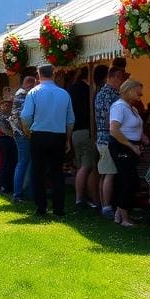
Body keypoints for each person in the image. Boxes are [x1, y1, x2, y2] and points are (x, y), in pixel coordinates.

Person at [21, 65, 75, 217]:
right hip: (58, 134)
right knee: (57, 172)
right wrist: (67, 138)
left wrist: (28, 130)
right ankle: (59, 208)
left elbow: (25, 116)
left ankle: (41, 207)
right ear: (53, 74)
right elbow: (70, 120)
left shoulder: (33, 92)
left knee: (38, 172)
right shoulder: (64, 93)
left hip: (38, 134)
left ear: (38, 75)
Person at [109, 79, 147, 227]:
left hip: (131, 146)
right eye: (138, 92)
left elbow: (135, 128)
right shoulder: (119, 107)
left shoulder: (132, 108)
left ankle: (120, 213)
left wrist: (142, 139)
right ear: (129, 90)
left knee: (126, 180)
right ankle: (123, 214)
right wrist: (131, 146)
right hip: (121, 146)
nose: (141, 95)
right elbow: (114, 129)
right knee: (131, 181)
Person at [94, 67, 124, 219]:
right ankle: (107, 207)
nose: (122, 82)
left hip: (102, 137)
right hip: (107, 138)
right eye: (121, 78)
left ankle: (103, 204)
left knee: (105, 173)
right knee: (110, 173)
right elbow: (109, 117)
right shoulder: (109, 94)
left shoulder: (101, 93)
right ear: (113, 77)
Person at [68, 67, 98, 209]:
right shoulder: (87, 90)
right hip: (86, 130)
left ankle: (86, 197)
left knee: (82, 165)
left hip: (75, 132)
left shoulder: (72, 89)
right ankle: (80, 198)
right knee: (87, 166)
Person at [10, 75, 36, 202]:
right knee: (24, 162)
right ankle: (19, 193)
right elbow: (23, 116)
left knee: (25, 162)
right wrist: (27, 132)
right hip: (23, 133)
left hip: (19, 132)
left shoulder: (19, 94)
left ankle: (24, 191)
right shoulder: (23, 95)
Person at [0, 89, 18, 194]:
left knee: (11, 163)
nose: (8, 106)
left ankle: (9, 185)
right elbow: (3, 128)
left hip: (9, 140)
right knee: (7, 163)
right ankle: (6, 185)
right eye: (5, 104)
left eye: (9, 104)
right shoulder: (2, 116)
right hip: (5, 140)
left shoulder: (9, 114)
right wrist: (14, 135)